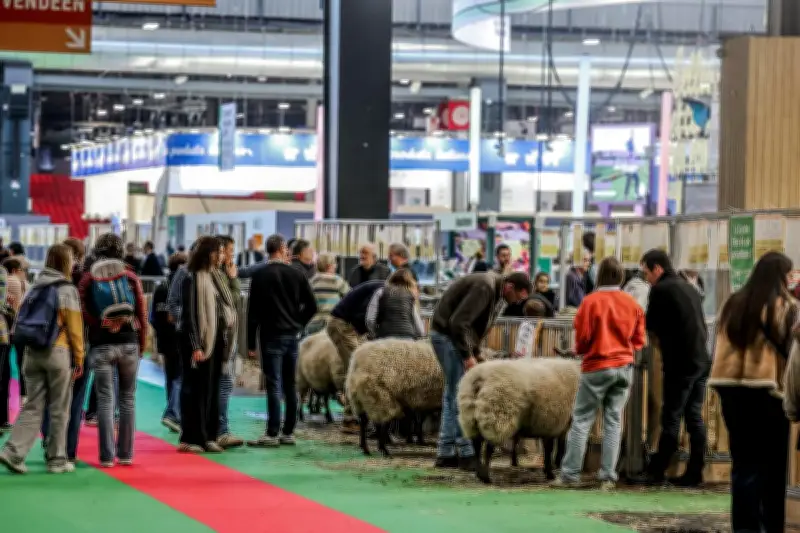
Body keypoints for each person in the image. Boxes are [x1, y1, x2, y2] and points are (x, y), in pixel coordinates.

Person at [712, 252, 796, 533]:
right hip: (766, 392)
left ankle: (744, 528)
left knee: (743, 464)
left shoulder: (732, 303)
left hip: (730, 390)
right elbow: (791, 348)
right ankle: (771, 526)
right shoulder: (784, 306)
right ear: (781, 276)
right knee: (773, 466)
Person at [552, 257, 645, 490]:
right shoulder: (632, 303)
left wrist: (580, 350)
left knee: (582, 420)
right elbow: (638, 339)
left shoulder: (590, 302)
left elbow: (583, 338)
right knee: (613, 421)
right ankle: (608, 477)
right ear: (621, 276)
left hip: (596, 367)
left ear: (599, 274)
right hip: (623, 367)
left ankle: (570, 475)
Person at [429, 271, 532, 471]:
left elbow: (471, 326)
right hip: (448, 337)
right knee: (460, 394)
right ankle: (465, 452)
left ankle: (446, 452)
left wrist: (476, 352)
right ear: (510, 287)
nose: (516, 302)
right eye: (517, 297)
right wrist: (467, 355)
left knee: (452, 393)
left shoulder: (495, 293)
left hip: (448, 336)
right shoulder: (485, 287)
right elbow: (459, 322)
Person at [0, 244, 84, 474]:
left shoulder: (34, 285)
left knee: (33, 406)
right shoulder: (67, 289)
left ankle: (13, 452)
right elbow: (75, 329)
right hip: (58, 352)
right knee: (59, 408)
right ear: (66, 262)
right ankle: (57, 459)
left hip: (31, 353)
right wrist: (79, 358)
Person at [635, 249, 709, 487]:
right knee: (694, 417)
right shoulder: (690, 287)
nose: (646, 278)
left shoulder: (661, 290)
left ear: (657, 268)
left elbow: (651, 327)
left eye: (647, 272)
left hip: (680, 362)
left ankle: (657, 472)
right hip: (701, 360)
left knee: (671, 417)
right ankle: (695, 471)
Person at [78, 233, 148, 467]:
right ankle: (126, 454)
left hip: (101, 344)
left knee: (105, 401)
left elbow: (83, 311)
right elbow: (141, 312)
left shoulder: (89, 278)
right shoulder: (130, 275)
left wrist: (101, 323)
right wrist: (142, 343)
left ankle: (107, 456)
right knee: (128, 399)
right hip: (129, 342)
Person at [246, 234, 316, 447]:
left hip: (269, 335)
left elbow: (253, 313)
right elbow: (312, 306)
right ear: (283, 249)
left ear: (268, 250)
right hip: (291, 335)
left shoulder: (260, 275)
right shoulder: (297, 274)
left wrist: (250, 344)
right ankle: (288, 432)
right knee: (290, 383)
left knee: (273, 383)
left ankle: (272, 432)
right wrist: (298, 324)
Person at [178, 236, 237, 454]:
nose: (222, 256)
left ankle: (210, 436)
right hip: (199, 343)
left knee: (211, 389)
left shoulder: (217, 276)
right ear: (208, 254)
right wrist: (196, 345)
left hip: (217, 341)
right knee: (196, 390)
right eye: (218, 252)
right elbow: (190, 315)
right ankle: (193, 437)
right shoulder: (191, 277)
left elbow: (229, 303)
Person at [326, 279, 385, 433]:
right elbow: (365, 316)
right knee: (357, 368)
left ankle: (355, 411)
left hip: (349, 325)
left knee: (358, 367)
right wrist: (375, 334)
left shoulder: (383, 288)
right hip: (343, 325)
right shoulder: (383, 291)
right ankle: (349, 419)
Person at [214, 235, 244, 449]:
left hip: (226, 339)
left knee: (224, 384)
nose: (232, 255)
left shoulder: (218, 273)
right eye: (230, 251)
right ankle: (221, 431)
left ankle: (219, 429)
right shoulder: (220, 276)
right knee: (223, 384)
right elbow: (232, 301)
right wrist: (233, 279)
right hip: (222, 339)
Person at [151, 252, 186, 433]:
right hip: (179, 338)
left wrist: (159, 332)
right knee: (180, 377)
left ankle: (173, 413)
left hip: (163, 339)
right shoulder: (183, 285)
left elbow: (152, 317)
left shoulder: (159, 287)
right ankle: (173, 413)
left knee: (170, 377)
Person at [365, 269, 424, 340]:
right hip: (407, 338)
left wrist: (374, 333)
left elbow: (370, 320)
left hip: (385, 337)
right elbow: (418, 325)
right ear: (409, 283)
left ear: (391, 279)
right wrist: (418, 335)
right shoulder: (410, 295)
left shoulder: (380, 292)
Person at [307, 253, 349, 336]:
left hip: (313, 323)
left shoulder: (312, 281)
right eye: (334, 264)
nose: (336, 266)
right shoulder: (336, 280)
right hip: (331, 322)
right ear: (329, 266)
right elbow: (350, 297)